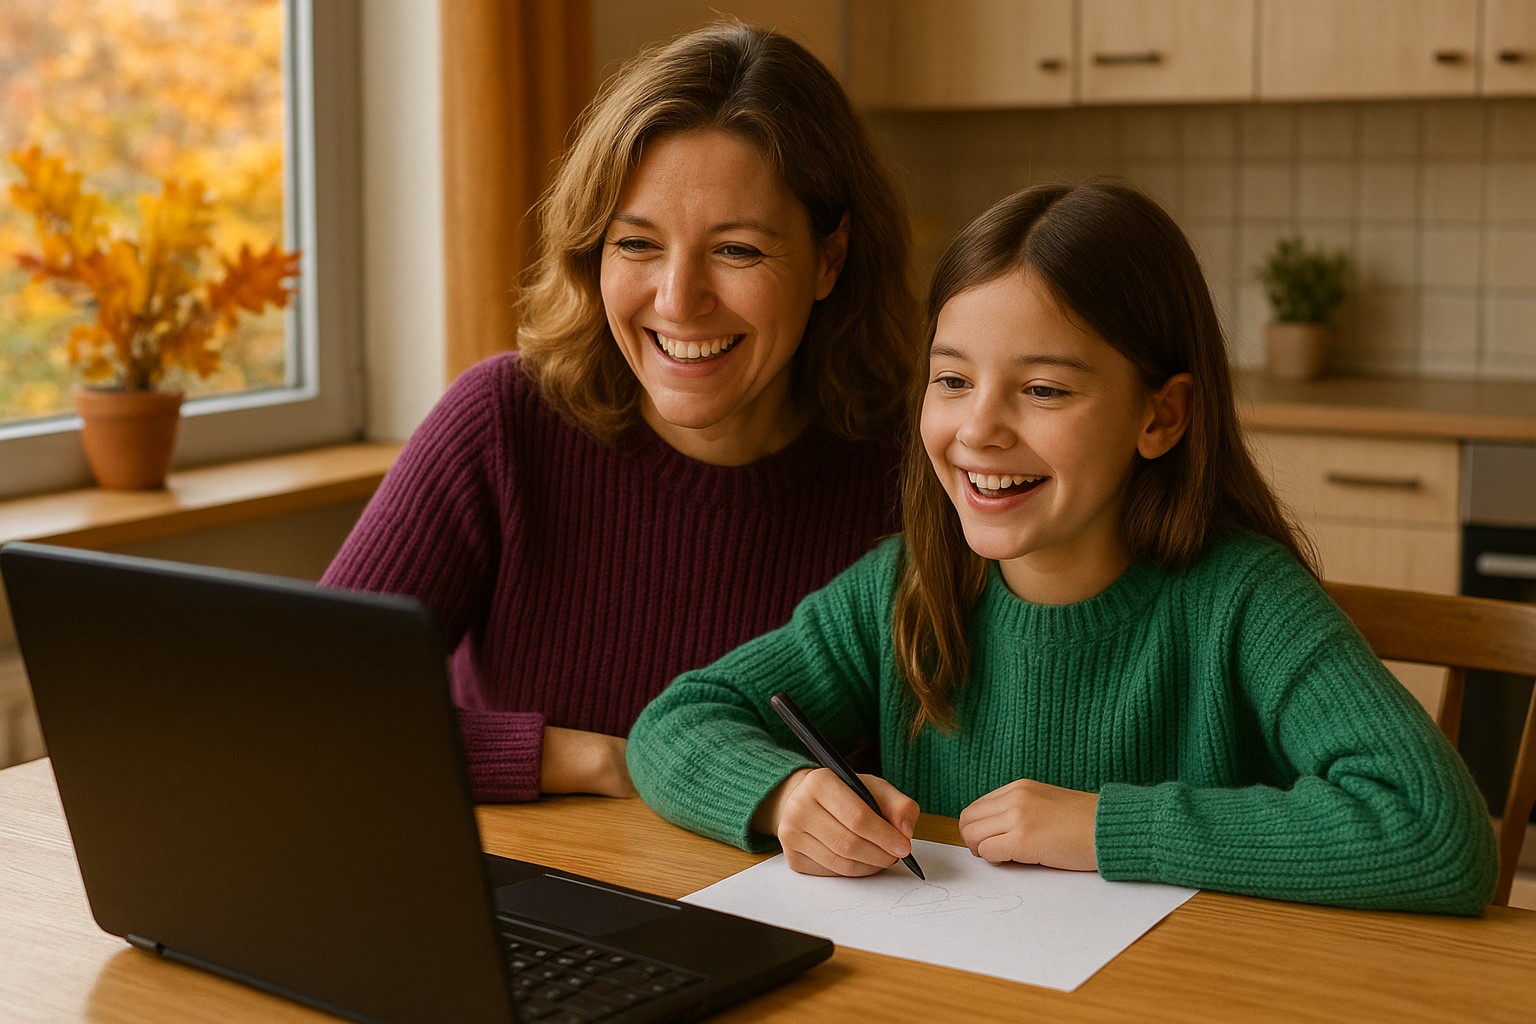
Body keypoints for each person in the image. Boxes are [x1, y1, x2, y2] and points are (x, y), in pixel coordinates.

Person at [627, 180, 1499, 915]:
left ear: (1160, 416)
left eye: (1042, 389)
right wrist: (785, 797)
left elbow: (1437, 830)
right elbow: (674, 725)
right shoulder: (906, 590)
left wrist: (1103, 827)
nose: (979, 429)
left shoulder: (1244, 602)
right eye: (953, 380)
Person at [321, 22, 919, 802]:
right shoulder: (504, 423)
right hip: (516, 899)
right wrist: (593, 760)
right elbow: (314, 704)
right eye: (637, 244)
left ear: (828, 259)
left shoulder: (914, 475)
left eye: (737, 250)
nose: (679, 301)